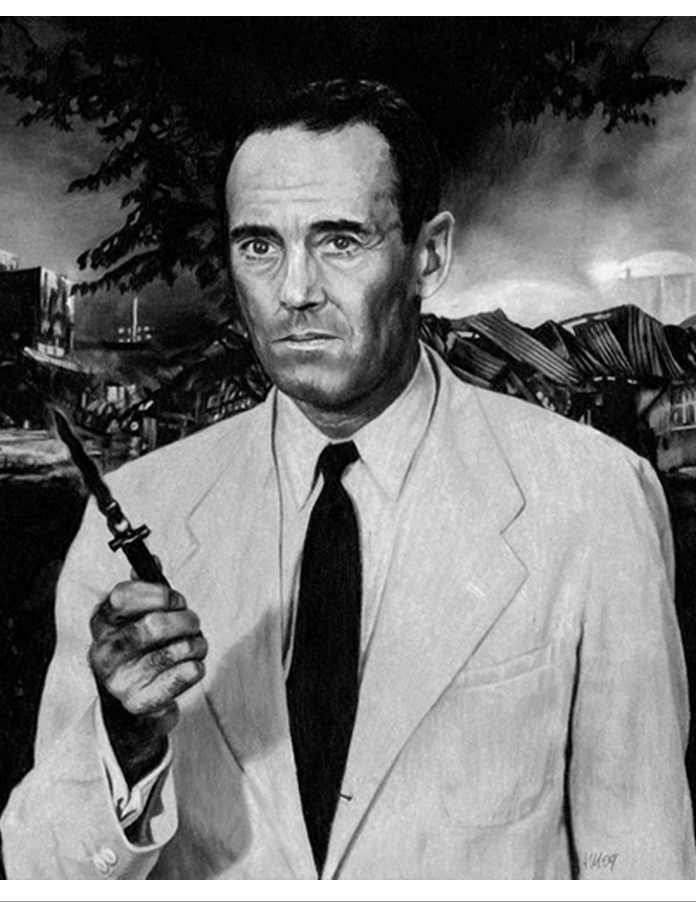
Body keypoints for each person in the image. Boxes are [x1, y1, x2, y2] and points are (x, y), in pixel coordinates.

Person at [2, 78, 695, 880]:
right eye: (259, 246)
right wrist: (124, 747)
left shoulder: (593, 499)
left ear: (428, 255)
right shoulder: (139, 509)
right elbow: (41, 876)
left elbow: (639, 862)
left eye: (339, 241)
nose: (295, 292)